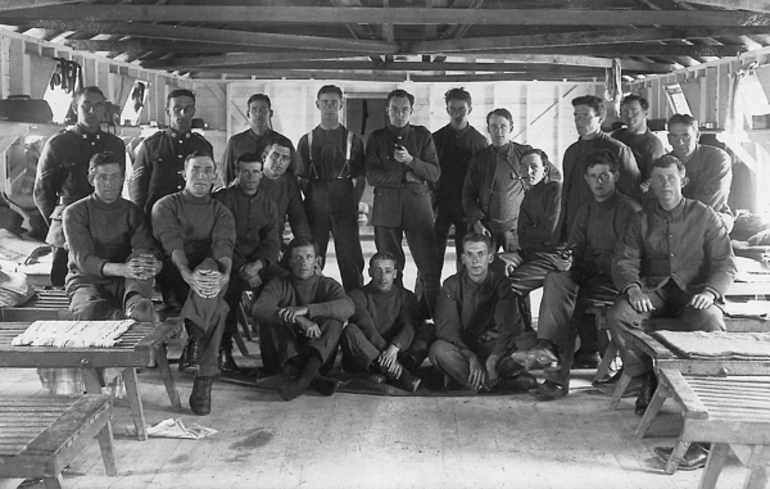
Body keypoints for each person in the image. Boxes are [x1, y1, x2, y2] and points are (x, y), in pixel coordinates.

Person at [608, 154, 736, 416]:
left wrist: (711, 292)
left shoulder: (704, 215)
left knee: (711, 320)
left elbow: (725, 262)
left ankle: (705, 389)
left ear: (683, 181)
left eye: (670, 178)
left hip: (694, 293)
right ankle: (646, 376)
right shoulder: (641, 219)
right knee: (619, 314)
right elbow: (625, 260)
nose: (664, 183)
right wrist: (633, 288)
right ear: (651, 184)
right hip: (654, 292)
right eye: (658, 179)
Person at [512, 149, 641, 401]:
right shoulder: (585, 211)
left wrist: (589, 263)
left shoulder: (629, 210)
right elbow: (577, 249)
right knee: (555, 279)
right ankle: (547, 349)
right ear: (586, 179)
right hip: (589, 277)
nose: (599, 182)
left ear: (614, 176)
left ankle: (554, 378)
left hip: (617, 283)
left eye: (604, 175)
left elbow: (628, 259)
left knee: (566, 307)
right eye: (593, 176)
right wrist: (569, 260)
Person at [152, 151, 236, 416]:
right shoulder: (166, 205)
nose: (202, 175)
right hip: (176, 278)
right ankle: (204, 381)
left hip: (209, 281)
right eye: (196, 169)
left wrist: (226, 275)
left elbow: (223, 246)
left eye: (208, 170)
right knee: (219, 310)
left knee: (211, 266)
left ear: (215, 176)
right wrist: (187, 272)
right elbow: (171, 241)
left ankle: (194, 344)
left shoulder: (220, 211)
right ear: (184, 173)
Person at [34, 86, 126, 288]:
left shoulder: (115, 145)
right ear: (75, 108)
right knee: (63, 286)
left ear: (104, 109)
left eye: (98, 105)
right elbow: (42, 192)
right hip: (66, 227)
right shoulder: (58, 144)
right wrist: (63, 224)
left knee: (107, 285)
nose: (92, 111)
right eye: (87, 105)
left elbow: (117, 186)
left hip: (105, 227)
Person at [428, 233, 538, 394]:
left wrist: (494, 358)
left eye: (481, 254)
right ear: (462, 258)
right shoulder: (451, 285)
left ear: (490, 258)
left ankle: (471, 380)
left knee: (535, 342)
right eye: (470, 254)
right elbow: (448, 330)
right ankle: (500, 383)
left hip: (496, 348)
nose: (475, 260)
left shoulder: (501, 284)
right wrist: (471, 357)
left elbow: (509, 325)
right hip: (464, 351)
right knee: (438, 350)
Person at [365, 89, 441, 317]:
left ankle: (434, 317)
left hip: (418, 211)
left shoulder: (422, 136)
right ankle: (394, 317)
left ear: (411, 110)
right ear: (387, 110)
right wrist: (405, 176)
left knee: (428, 267)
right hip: (387, 211)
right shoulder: (377, 138)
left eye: (404, 109)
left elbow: (434, 173)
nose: (399, 114)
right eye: (395, 109)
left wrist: (411, 161)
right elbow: (371, 175)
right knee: (389, 268)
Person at [251, 238, 354, 401]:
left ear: (317, 260)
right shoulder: (279, 284)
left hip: (318, 359)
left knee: (335, 320)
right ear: (290, 262)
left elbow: (348, 307)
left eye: (308, 257)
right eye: (298, 257)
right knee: (271, 319)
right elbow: (258, 309)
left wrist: (308, 309)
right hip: (284, 360)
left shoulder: (327, 284)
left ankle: (303, 379)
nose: (304, 262)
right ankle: (313, 379)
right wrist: (298, 319)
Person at [63, 151, 161, 321]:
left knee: (142, 260)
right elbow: (84, 260)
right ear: (91, 179)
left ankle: (135, 305)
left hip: (126, 281)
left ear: (123, 178)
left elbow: (145, 247)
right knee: (88, 311)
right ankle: (121, 317)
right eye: (102, 177)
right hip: (87, 280)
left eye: (115, 177)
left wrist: (153, 264)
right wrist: (123, 269)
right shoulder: (75, 212)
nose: (109, 183)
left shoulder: (132, 211)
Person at [213, 153, 281, 372]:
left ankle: (277, 345)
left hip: (257, 264)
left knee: (284, 281)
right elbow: (219, 239)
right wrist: (244, 268)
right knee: (228, 290)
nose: (251, 177)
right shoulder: (223, 199)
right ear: (237, 173)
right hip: (228, 263)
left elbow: (272, 242)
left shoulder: (268, 203)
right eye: (245, 172)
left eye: (255, 172)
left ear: (262, 174)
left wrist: (259, 265)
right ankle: (224, 349)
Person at [296, 85, 365, 292]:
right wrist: (314, 199)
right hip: (315, 199)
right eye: (325, 102)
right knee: (313, 254)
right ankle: (312, 299)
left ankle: (356, 303)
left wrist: (351, 202)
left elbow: (360, 178)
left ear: (341, 105)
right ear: (318, 105)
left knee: (350, 256)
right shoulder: (306, 141)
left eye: (334, 103)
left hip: (344, 199)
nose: (329, 107)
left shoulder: (353, 140)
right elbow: (302, 178)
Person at [463, 108, 561, 254]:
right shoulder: (479, 159)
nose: (498, 131)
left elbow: (554, 176)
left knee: (516, 268)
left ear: (511, 128)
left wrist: (533, 205)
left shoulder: (524, 153)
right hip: (486, 229)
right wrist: (476, 222)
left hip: (516, 229)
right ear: (488, 129)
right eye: (494, 127)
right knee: (485, 270)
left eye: (503, 126)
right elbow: (468, 194)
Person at [341, 252, 434, 392]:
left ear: (395, 274)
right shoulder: (356, 296)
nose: (383, 277)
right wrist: (390, 358)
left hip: (398, 353)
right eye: (378, 271)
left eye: (388, 271)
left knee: (428, 329)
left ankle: (386, 373)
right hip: (371, 353)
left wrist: (394, 348)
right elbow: (368, 329)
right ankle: (400, 374)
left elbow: (408, 326)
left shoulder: (407, 297)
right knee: (350, 330)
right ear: (370, 272)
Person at [558, 95, 640, 241]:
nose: (579, 120)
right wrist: (560, 233)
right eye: (576, 115)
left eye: (585, 115)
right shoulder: (571, 152)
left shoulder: (618, 150)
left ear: (600, 118)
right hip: (575, 228)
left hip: (606, 230)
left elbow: (632, 196)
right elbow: (566, 195)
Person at [432, 88, 489, 274]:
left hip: (467, 206)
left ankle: (463, 298)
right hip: (440, 204)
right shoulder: (436, 139)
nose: (457, 113)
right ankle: (427, 300)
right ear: (447, 110)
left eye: (462, 109)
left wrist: (477, 211)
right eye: (453, 109)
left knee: (465, 258)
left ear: (470, 109)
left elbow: (483, 180)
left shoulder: (479, 142)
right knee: (432, 257)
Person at [130, 89, 213, 217]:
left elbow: (208, 184)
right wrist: (140, 221)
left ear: (194, 112)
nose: (183, 113)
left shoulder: (203, 146)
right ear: (168, 111)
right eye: (177, 108)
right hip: (156, 217)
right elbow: (137, 189)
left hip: (192, 217)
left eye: (188, 108)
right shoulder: (152, 145)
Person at [506, 149, 563, 326]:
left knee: (509, 288)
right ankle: (522, 330)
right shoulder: (528, 194)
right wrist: (534, 232)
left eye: (534, 167)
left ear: (545, 170)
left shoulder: (555, 190)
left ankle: (522, 334)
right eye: (523, 167)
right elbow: (521, 237)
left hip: (553, 257)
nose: (528, 172)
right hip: (532, 253)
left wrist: (531, 232)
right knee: (497, 270)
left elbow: (550, 232)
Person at [666, 113, 733, 229]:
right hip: (673, 217)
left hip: (711, 216)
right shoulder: (664, 164)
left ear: (697, 136)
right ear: (669, 139)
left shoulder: (718, 158)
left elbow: (710, 201)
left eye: (686, 135)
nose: (680, 142)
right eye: (674, 136)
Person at [221, 93, 294, 187]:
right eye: (254, 110)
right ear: (248, 114)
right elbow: (228, 177)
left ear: (270, 113)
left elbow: (291, 177)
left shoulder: (283, 144)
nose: (259, 114)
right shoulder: (235, 142)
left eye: (263, 110)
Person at [260, 140, 312, 245]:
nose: (279, 161)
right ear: (264, 157)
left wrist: (305, 243)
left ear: (289, 163)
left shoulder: (289, 182)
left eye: (285, 158)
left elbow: (298, 217)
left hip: (275, 240)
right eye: (275, 156)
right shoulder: (251, 178)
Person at [611, 94, 665, 195]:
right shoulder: (616, 136)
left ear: (646, 113)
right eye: (625, 111)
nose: (629, 115)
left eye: (634, 111)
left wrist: (637, 192)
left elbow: (654, 177)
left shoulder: (653, 144)